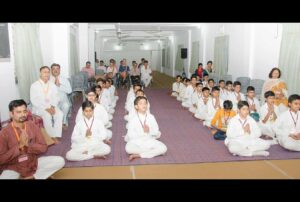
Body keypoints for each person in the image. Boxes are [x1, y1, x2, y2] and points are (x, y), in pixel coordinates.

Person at [0, 100, 65, 179]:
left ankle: (33, 177)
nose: (22, 114)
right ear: (11, 114)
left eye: (24, 111)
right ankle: (40, 176)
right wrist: (19, 147)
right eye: (18, 112)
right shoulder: (4, 132)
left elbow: (44, 147)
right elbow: (1, 159)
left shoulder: (32, 125)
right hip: (14, 166)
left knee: (60, 161)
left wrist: (28, 145)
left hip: (33, 163)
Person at [125, 96, 167, 161]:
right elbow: (130, 135)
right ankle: (153, 152)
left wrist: (149, 131)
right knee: (128, 149)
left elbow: (156, 132)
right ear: (136, 106)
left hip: (149, 140)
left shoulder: (151, 117)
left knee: (164, 148)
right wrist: (141, 135)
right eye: (141, 103)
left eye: (145, 103)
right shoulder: (133, 119)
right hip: (137, 142)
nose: (144, 105)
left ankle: (139, 155)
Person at [30, 66, 63, 144]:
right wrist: (46, 108)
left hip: (52, 106)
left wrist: (52, 106)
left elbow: (56, 97)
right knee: (47, 115)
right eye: (44, 72)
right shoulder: (34, 85)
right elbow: (34, 100)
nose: (47, 74)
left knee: (59, 114)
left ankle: (57, 134)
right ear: (40, 73)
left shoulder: (52, 84)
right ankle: (51, 136)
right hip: (39, 107)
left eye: (48, 72)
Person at [50, 63, 72, 129]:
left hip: (63, 100)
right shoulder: (48, 80)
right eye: (53, 69)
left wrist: (59, 85)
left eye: (57, 69)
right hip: (52, 101)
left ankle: (64, 120)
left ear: (60, 70)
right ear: (51, 70)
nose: (55, 70)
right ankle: (56, 120)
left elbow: (69, 90)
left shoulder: (64, 80)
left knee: (66, 106)